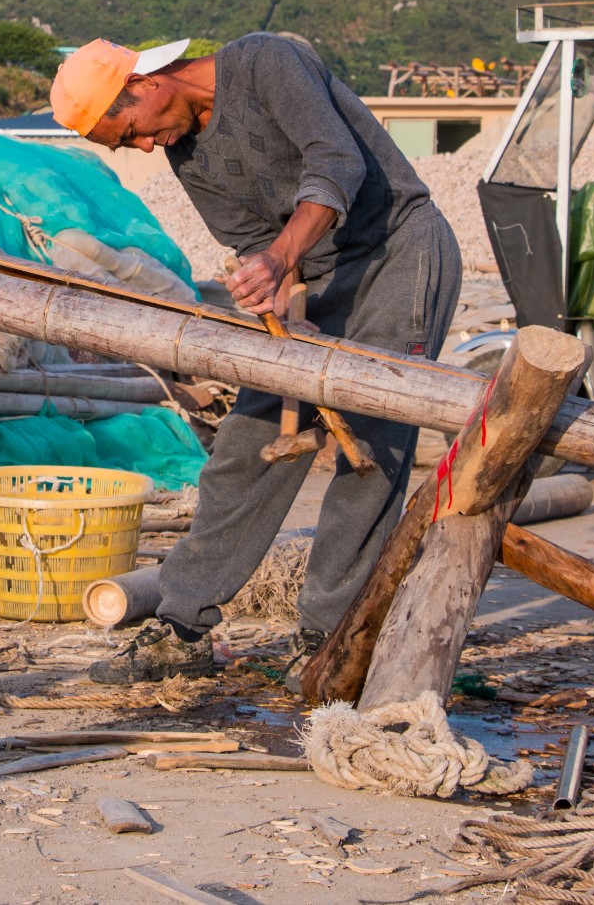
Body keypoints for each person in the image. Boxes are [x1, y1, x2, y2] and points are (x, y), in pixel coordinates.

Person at [49, 34, 460, 684]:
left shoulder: (269, 62)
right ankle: (181, 624)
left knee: (371, 447)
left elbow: (337, 162)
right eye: (128, 148)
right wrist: (272, 288)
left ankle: (332, 638)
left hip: (397, 254)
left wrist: (280, 258)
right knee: (248, 440)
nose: (148, 148)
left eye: (133, 133)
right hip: (309, 283)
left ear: (146, 84)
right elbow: (250, 239)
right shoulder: (187, 150)